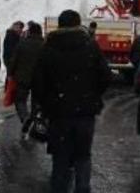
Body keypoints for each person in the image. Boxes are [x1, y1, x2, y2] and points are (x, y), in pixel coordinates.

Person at [32, 10, 112, 193]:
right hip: (84, 113)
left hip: (58, 114)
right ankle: (82, 189)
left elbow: (37, 83)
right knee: (83, 156)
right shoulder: (90, 46)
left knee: (60, 158)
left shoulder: (48, 48)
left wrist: (47, 103)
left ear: (59, 25)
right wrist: (92, 95)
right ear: (78, 24)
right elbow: (106, 77)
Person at [9, 22, 44, 139]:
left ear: (30, 32)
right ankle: (33, 123)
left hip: (23, 78)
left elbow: (14, 60)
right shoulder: (45, 45)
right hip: (39, 79)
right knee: (36, 103)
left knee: (20, 100)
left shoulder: (22, 43)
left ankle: (25, 118)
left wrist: (10, 73)